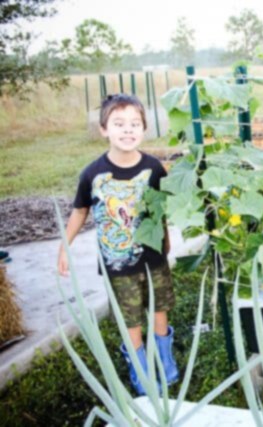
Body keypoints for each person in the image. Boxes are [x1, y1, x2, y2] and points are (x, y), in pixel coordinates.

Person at [57, 94, 177, 395]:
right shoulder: (93, 174)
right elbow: (80, 211)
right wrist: (64, 246)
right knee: (130, 317)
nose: (127, 130)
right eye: (119, 123)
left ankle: (166, 361)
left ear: (144, 128)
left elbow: (159, 208)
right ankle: (142, 373)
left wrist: (166, 237)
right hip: (117, 263)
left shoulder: (154, 168)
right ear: (104, 129)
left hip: (154, 257)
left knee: (159, 308)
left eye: (135, 124)